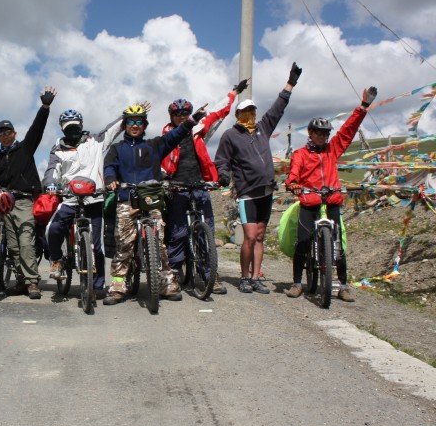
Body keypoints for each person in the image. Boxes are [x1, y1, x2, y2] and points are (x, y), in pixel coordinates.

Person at [214, 62, 302, 294]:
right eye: (245, 112)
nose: (249, 115)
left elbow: (278, 108)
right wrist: (223, 175)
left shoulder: (263, 128)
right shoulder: (230, 136)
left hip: (266, 191)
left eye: (252, 111)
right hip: (246, 193)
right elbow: (221, 160)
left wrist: (290, 84)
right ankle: (243, 277)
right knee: (250, 236)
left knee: (260, 236)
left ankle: (255, 278)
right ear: (237, 115)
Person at [284, 86, 378, 302]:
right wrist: (294, 184)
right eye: (318, 133)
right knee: (303, 241)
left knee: (338, 245)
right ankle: (298, 283)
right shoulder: (300, 154)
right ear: (310, 133)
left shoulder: (332, 149)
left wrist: (363, 107)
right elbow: (293, 175)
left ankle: (343, 286)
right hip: (309, 201)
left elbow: (348, 130)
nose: (322, 137)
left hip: (333, 199)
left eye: (326, 133)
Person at [102, 103, 196, 305]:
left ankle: (165, 284)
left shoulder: (154, 145)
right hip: (127, 198)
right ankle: (118, 286)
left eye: (138, 122)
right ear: (125, 125)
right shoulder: (117, 149)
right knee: (124, 244)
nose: (134, 126)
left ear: (144, 125)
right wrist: (110, 180)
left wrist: (191, 121)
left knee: (160, 243)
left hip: (151, 199)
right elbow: (109, 167)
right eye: (130, 122)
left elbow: (176, 134)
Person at [161, 79, 248, 295]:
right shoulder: (167, 136)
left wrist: (235, 92)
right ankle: (175, 274)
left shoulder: (198, 129)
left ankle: (210, 275)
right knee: (178, 233)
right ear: (171, 117)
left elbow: (219, 111)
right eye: (177, 114)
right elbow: (157, 159)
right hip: (176, 188)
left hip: (200, 185)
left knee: (206, 229)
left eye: (185, 113)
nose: (182, 116)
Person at [0, 87, 56, 300]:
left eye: (8, 132)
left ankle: (32, 283)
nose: (5, 136)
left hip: (25, 202)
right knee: (12, 246)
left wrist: (45, 107)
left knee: (25, 241)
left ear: (14, 134)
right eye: (1, 133)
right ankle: (20, 281)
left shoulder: (25, 148)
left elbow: (37, 129)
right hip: (5, 204)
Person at [42, 107, 123, 297]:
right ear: (62, 129)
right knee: (52, 230)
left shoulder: (95, 141)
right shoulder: (58, 149)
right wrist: (50, 184)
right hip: (69, 198)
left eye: (75, 126)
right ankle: (57, 259)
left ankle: (98, 285)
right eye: (68, 127)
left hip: (94, 198)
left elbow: (113, 129)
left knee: (97, 245)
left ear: (82, 125)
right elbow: (52, 170)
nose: (72, 130)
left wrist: (128, 115)